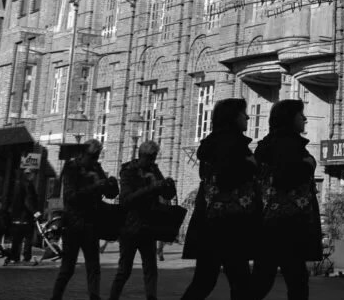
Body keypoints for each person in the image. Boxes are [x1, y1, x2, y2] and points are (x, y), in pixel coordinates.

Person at [180, 98, 255, 300]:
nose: (247, 117)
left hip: (209, 222)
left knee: (205, 280)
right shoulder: (232, 144)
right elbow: (228, 177)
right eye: (243, 114)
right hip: (231, 224)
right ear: (233, 117)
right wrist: (250, 165)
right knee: (239, 283)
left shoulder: (213, 144)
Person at [252, 100, 322, 300]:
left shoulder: (268, 144)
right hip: (289, 223)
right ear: (290, 118)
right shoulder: (288, 145)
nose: (305, 119)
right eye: (301, 115)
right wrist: (308, 165)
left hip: (268, 221)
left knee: (262, 278)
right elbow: (287, 177)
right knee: (297, 280)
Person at [51, 138, 116, 300]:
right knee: (68, 268)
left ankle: (94, 296)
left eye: (97, 156)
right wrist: (95, 187)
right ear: (84, 153)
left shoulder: (96, 167)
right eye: (92, 156)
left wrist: (112, 185)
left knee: (93, 267)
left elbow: (110, 193)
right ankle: (56, 297)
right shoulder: (72, 168)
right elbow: (70, 196)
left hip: (91, 223)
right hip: (73, 223)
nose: (95, 160)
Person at [110, 140, 175, 300]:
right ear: (142, 155)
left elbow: (167, 194)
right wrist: (151, 187)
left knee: (151, 269)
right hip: (130, 227)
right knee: (124, 270)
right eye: (150, 158)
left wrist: (168, 185)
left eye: (154, 158)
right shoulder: (128, 171)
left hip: (148, 226)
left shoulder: (153, 169)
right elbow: (126, 199)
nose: (152, 161)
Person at [8, 167, 41, 264]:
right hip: (25, 216)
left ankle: (14, 257)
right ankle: (26, 257)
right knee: (28, 237)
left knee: (16, 238)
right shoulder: (28, 185)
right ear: (30, 174)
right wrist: (35, 212)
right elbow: (28, 200)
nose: (34, 176)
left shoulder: (17, 184)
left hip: (16, 216)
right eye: (34, 174)